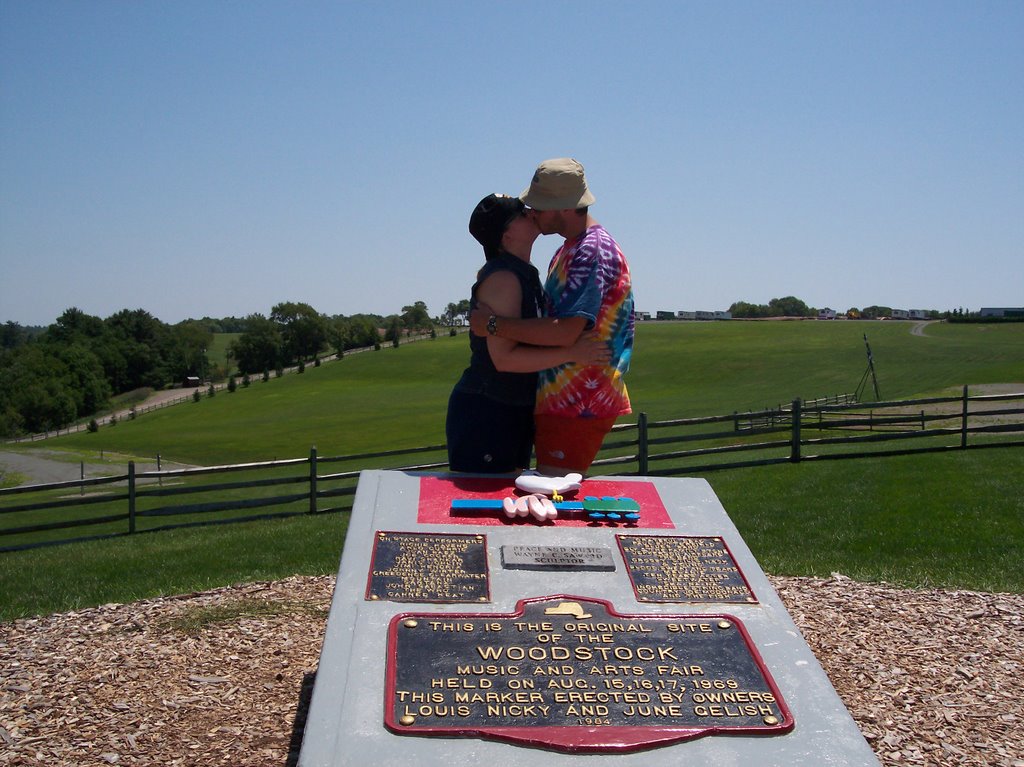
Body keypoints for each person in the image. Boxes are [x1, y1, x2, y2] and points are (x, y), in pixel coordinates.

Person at [470, 159, 634, 476]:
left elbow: (566, 331)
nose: (531, 211)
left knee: (556, 500)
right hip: (566, 401)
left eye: (538, 206)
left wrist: (492, 324)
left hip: (579, 401)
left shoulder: (590, 251)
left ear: (562, 207)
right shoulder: (569, 249)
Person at [446, 193, 608, 474]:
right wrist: (570, 352)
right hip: (489, 410)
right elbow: (504, 360)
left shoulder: (523, 273)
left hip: (509, 407)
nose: (531, 212)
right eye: (521, 213)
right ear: (506, 235)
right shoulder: (504, 279)